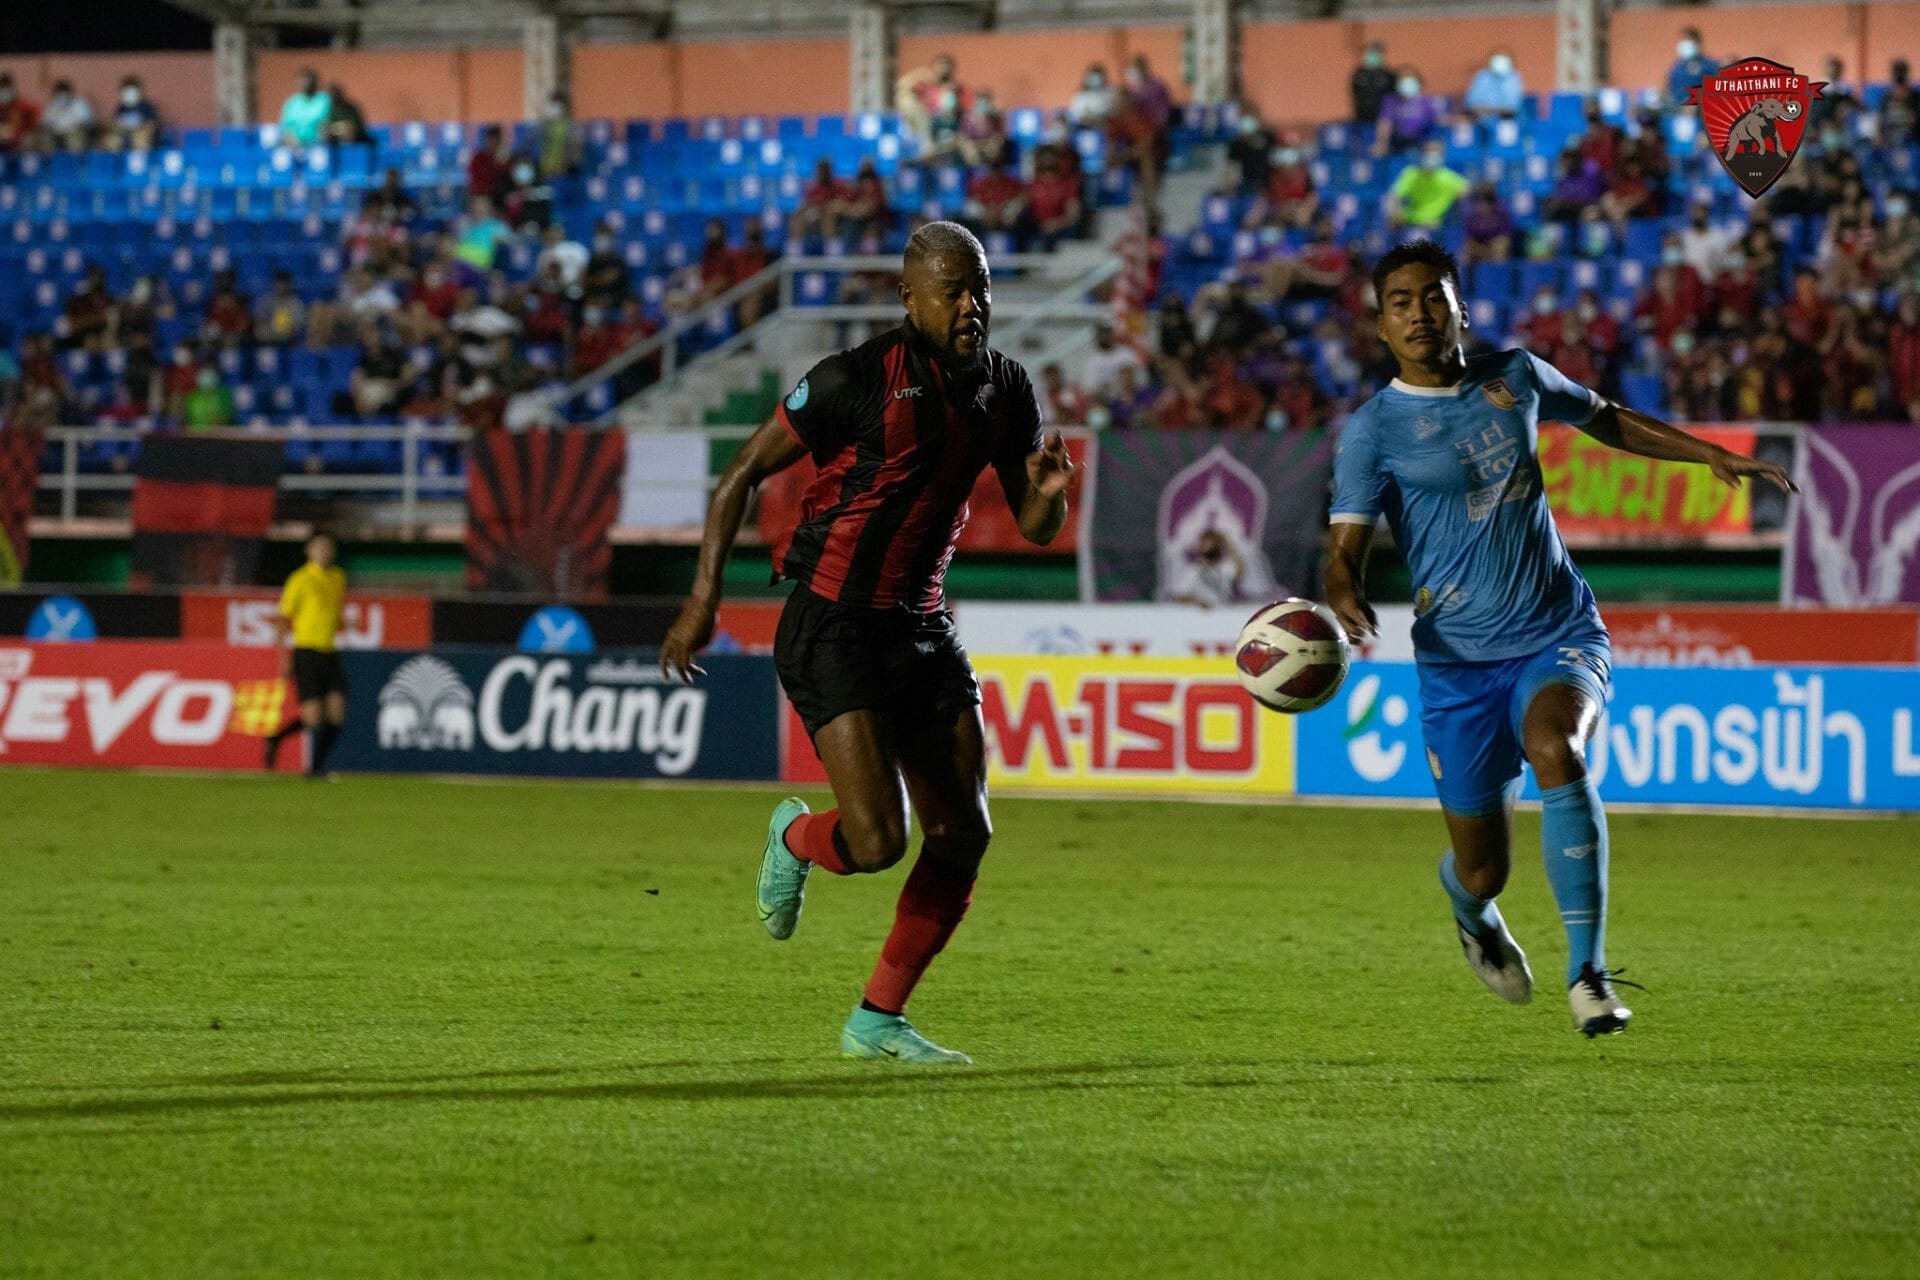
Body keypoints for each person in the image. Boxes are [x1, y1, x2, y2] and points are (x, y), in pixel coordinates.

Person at [1324, 241, 1794, 1038]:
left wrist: (1707, 453)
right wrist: (1344, 591)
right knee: (1483, 868)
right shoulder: (1373, 431)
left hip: (1556, 630)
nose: (1419, 313)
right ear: (1379, 326)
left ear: (1460, 307)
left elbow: (1606, 417)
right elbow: (1344, 549)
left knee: (1556, 747)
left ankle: (1589, 974)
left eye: (1433, 296)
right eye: (1399, 302)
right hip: (1457, 666)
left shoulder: (1516, 376)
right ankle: (1470, 909)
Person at [658, 221, 1075, 1065]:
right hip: (833, 622)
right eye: (954, 291)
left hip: (921, 625)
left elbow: (1035, 526)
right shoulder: (855, 378)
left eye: (982, 289)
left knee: (963, 834)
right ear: (910, 298)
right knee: (880, 841)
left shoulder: (1006, 388)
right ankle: (795, 839)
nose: (972, 306)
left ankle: (877, 1019)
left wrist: (1049, 493)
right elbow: (740, 475)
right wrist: (703, 599)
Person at [263, 531, 349, 778]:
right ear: (309, 551)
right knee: (313, 719)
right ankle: (275, 738)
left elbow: (333, 612)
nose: (324, 552)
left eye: (327, 547)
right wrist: (284, 657)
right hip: (306, 652)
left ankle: (316, 769)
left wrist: (344, 623)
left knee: (336, 715)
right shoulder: (299, 579)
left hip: (329, 652)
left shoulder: (338, 578)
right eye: (319, 547)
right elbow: (283, 618)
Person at [1386, 142, 1469, 232]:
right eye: (1429, 154)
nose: (1432, 158)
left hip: (1434, 225)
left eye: (1436, 155)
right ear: (1422, 155)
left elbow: (1466, 190)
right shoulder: (1411, 173)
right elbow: (1394, 195)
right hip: (1409, 221)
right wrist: (1395, 214)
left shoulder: (1448, 178)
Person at [1464, 48, 1524, 121]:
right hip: (1479, 118)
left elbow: (1511, 108)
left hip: (1506, 119)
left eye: (1503, 58)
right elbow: (1471, 103)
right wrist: (1488, 110)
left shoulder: (1514, 78)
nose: (1500, 62)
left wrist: (1489, 109)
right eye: (1497, 58)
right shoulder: (1482, 76)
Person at [35, 80, 94, 152]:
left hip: (73, 132)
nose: (62, 96)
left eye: (63, 93)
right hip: (55, 133)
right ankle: (48, 157)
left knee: (75, 138)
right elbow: (45, 122)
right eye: (59, 93)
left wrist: (72, 128)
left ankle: (74, 157)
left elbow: (86, 122)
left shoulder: (79, 104)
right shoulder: (53, 105)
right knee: (44, 138)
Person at [279, 69, 332, 148]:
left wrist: (319, 141)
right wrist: (294, 144)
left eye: (307, 78)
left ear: (315, 81)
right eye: (302, 79)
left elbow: (326, 124)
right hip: (294, 147)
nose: (304, 82)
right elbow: (285, 128)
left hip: (319, 146)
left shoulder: (324, 99)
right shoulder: (292, 102)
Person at [1668, 27, 1716, 106]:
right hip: (1678, 108)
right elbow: (1669, 90)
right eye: (1683, 40)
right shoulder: (1676, 67)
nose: (1685, 44)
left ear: (1697, 43)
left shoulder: (1710, 65)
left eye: (1688, 39)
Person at [109, 77, 160, 151]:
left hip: (141, 134)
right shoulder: (121, 108)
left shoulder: (146, 107)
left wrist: (137, 130)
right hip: (125, 135)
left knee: (139, 138)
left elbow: (151, 125)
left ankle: (139, 158)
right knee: (112, 139)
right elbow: (114, 123)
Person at [1351, 42, 1394, 126]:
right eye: (1368, 53)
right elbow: (1355, 95)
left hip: (1383, 120)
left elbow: (1392, 98)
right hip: (1361, 118)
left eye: (1374, 53)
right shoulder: (1358, 74)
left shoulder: (1389, 76)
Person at [0, 75, 41, 152]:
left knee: (28, 141)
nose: (3, 93)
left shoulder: (22, 105)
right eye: (1, 89)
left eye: (5, 89)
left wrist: (19, 132)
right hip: (3, 140)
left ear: (11, 89)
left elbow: (36, 119)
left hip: (19, 139)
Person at [324, 82, 369, 146]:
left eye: (335, 95)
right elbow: (326, 127)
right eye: (331, 96)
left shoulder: (350, 109)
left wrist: (336, 127)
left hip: (355, 139)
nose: (334, 98)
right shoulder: (330, 110)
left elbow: (353, 127)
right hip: (336, 140)